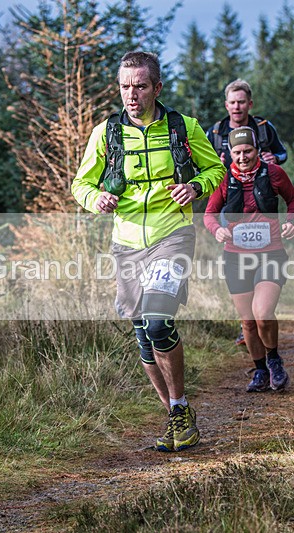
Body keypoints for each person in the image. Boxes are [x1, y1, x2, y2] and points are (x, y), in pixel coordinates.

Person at [71, 51, 225, 452]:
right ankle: (177, 415)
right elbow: (80, 184)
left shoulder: (183, 127)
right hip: (126, 244)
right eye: (125, 86)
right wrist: (95, 199)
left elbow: (216, 170)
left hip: (172, 235)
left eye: (140, 86)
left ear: (157, 87)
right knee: (143, 336)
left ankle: (180, 407)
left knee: (158, 323)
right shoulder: (106, 133)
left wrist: (195, 187)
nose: (131, 94)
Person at [204, 126, 294, 392]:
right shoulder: (224, 179)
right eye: (237, 152)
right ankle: (260, 371)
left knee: (263, 313)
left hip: (271, 253)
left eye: (247, 151)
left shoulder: (274, 173)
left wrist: (291, 222)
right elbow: (209, 214)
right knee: (247, 320)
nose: (242, 157)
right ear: (229, 153)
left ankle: (274, 360)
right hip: (236, 257)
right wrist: (217, 230)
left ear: (257, 150)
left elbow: (293, 200)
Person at [207, 78, 288, 345]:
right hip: (229, 201)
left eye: (241, 102)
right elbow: (200, 164)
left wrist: (274, 159)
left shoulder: (263, 128)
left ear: (249, 104)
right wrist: (215, 165)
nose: (237, 107)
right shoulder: (215, 132)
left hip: (262, 199)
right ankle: (248, 323)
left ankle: (262, 310)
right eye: (232, 102)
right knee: (238, 260)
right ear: (226, 105)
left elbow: (283, 153)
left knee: (263, 255)